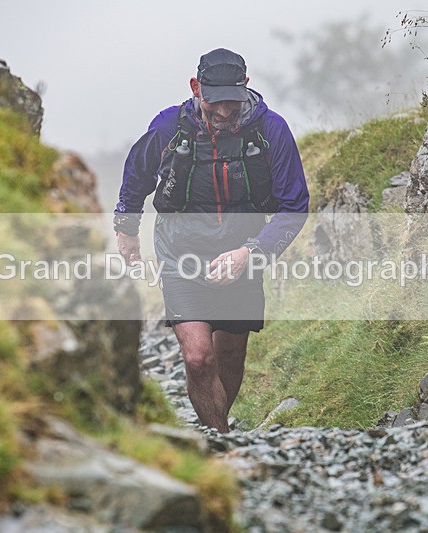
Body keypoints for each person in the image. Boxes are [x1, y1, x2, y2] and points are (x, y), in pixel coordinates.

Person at [114, 48, 308, 433]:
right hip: (180, 253)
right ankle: (220, 441)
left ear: (246, 86)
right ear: (195, 87)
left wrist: (251, 252)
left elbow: (295, 206)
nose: (222, 111)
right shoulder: (168, 127)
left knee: (230, 354)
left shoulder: (271, 130)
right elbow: (137, 175)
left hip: (242, 252)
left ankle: (220, 435)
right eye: (213, 100)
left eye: (231, 101)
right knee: (199, 358)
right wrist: (126, 230)